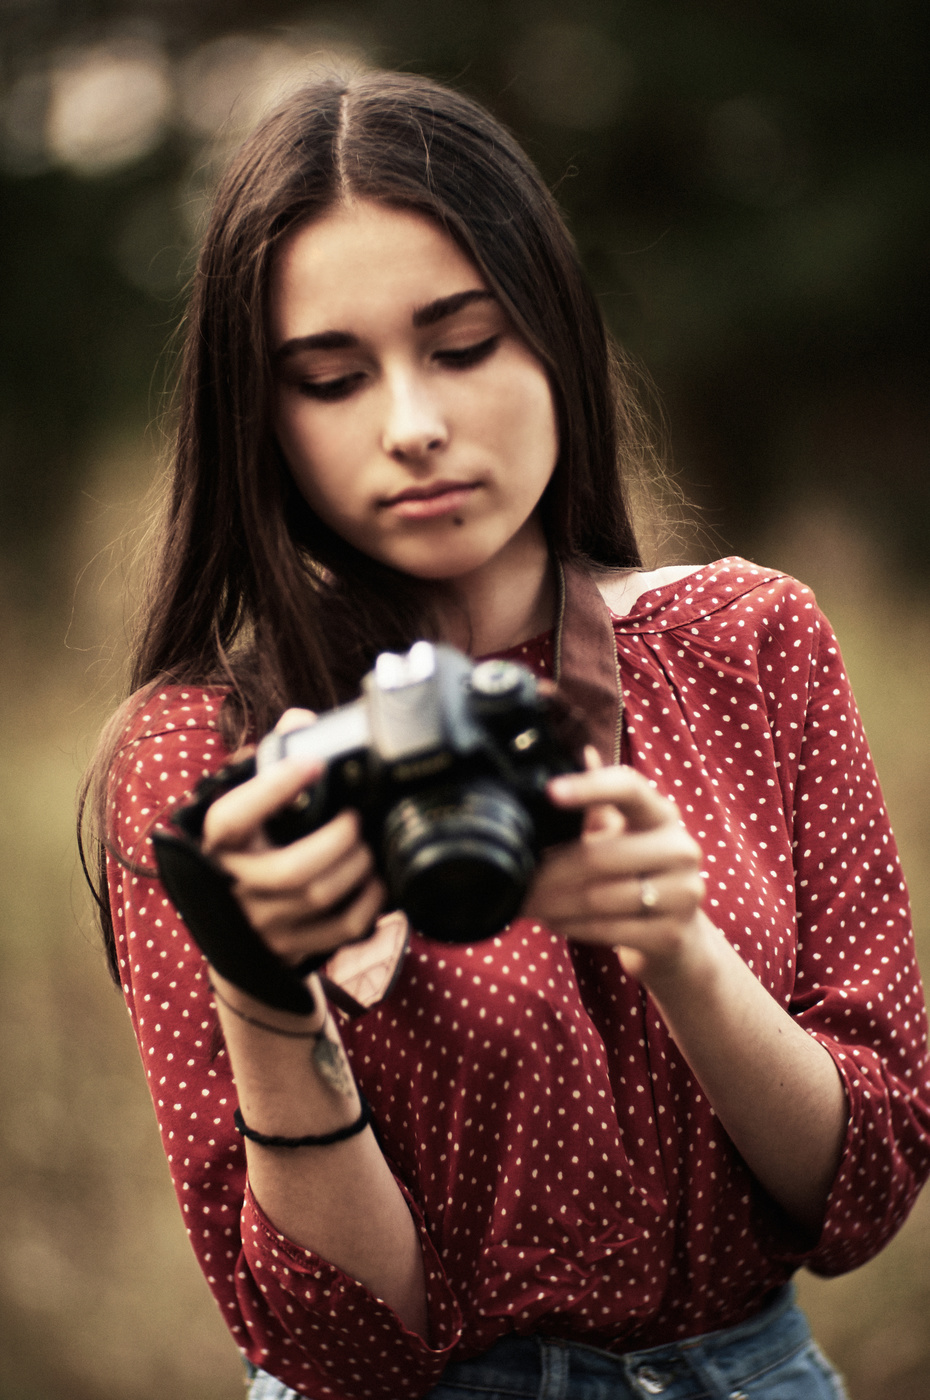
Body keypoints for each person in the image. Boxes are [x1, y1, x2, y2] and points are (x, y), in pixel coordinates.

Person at [80, 70, 930, 1400]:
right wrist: (262, 988)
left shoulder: (747, 645)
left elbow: (865, 1189)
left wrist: (676, 944)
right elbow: (339, 1348)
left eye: (465, 346)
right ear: (261, 417)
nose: (413, 428)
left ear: (553, 334)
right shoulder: (212, 761)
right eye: (331, 378)